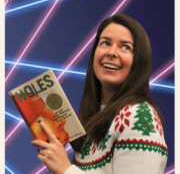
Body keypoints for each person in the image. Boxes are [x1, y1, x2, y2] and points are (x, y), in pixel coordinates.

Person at [31, 14, 168, 174]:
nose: (111, 52)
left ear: (139, 61)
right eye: (105, 43)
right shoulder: (92, 118)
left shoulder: (139, 116)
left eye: (125, 47)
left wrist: (65, 170)